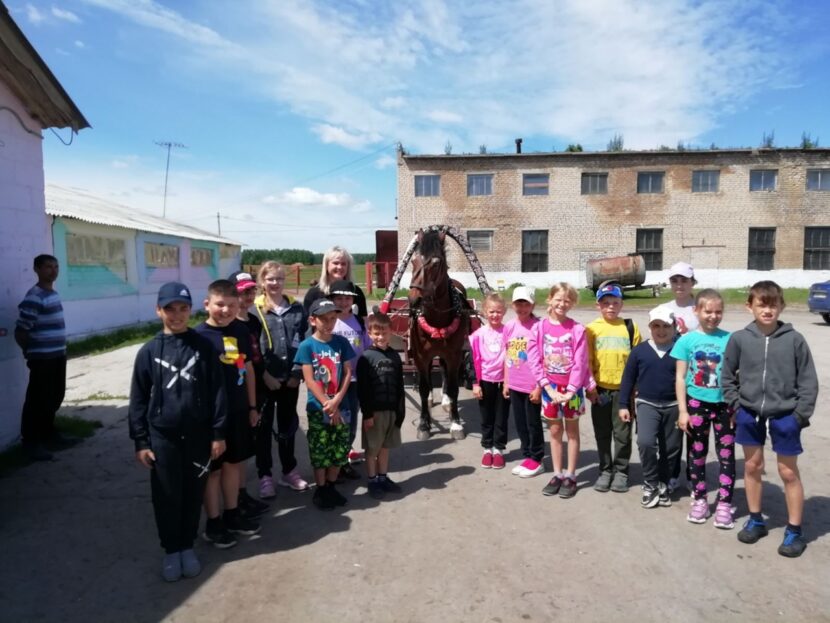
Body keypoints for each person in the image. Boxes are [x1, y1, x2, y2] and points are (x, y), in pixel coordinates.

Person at [128, 282, 226, 582]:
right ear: (159, 310)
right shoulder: (148, 352)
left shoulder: (203, 348)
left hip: (197, 437)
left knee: (192, 493)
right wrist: (141, 441)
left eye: (183, 309)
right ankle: (171, 549)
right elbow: (139, 399)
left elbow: (217, 392)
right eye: (170, 309)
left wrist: (217, 433)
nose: (177, 315)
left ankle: (187, 545)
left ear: (190, 310)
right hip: (163, 439)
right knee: (167, 495)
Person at [722, 281, 819, 557]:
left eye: (773, 305)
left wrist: (799, 416)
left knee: (788, 472)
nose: (767, 310)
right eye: (761, 304)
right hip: (749, 414)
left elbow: (808, 381)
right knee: (752, 466)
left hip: (785, 415)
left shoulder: (794, 339)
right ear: (749, 306)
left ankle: (794, 530)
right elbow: (727, 376)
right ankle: (755, 519)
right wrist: (736, 407)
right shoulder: (740, 339)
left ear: (782, 307)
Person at [195, 280, 261, 547]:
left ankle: (232, 514)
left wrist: (252, 406)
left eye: (231, 305)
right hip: (210, 417)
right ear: (207, 304)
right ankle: (213, 522)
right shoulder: (198, 337)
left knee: (234, 464)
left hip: (238, 411)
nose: (225, 310)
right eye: (220, 304)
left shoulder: (240, 331)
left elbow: (247, 370)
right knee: (213, 471)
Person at [671, 288, 735, 528]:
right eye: (708, 311)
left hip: (724, 406)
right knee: (697, 454)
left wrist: (736, 406)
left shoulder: (730, 339)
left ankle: (725, 503)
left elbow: (736, 374)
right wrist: (683, 410)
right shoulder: (686, 341)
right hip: (696, 404)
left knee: (726, 455)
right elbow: (680, 377)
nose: (713, 316)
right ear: (696, 311)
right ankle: (699, 499)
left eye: (718, 311)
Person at [530, 283, 594, 499]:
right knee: (555, 432)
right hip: (549, 390)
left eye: (567, 300)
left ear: (573, 303)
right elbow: (534, 359)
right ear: (550, 299)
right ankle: (557, 473)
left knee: (572, 432)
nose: (562, 304)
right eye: (558, 299)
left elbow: (580, 362)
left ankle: (571, 475)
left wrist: (572, 390)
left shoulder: (577, 329)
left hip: (571, 391)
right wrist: (546, 387)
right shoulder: (539, 328)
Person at [254, 261, 310, 496]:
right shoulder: (254, 310)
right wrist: (264, 375)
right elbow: (252, 348)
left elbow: (306, 340)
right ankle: (265, 475)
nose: (275, 283)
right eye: (270, 279)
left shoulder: (296, 309)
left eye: (279, 279)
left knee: (288, 426)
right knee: (263, 428)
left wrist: (298, 373)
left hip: (290, 380)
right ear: (262, 282)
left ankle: (289, 471)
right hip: (265, 381)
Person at [294, 298, 356, 511]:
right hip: (318, 408)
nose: (329, 323)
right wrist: (327, 403)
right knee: (320, 449)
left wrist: (338, 399)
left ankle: (331, 486)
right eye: (324, 319)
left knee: (339, 449)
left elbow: (348, 371)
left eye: (332, 318)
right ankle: (320, 489)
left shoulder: (341, 343)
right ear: (313, 320)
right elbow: (310, 380)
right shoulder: (307, 346)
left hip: (342, 405)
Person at [619, 306, 681, 509]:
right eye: (656, 326)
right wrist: (623, 405)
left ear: (674, 327)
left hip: (674, 405)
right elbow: (628, 380)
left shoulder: (681, 350)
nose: (661, 330)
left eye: (666, 326)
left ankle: (663, 483)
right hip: (647, 404)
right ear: (650, 327)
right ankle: (650, 483)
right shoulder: (640, 351)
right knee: (645, 442)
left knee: (670, 449)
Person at [586, 283, 641, 493]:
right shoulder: (592, 329)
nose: (610, 307)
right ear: (598, 305)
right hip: (600, 390)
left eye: (615, 303)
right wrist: (590, 387)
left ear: (621, 304)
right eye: (606, 303)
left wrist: (636, 386)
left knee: (622, 433)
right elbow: (587, 360)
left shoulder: (630, 327)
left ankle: (621, 472)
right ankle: (605, 470)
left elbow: (637, 360)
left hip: (624, 392)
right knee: (602, 432)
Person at [14, 254, 67, 461]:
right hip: (41, 358)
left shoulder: (52, 293)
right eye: (48, 267)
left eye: (56, 266)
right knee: (37, 400)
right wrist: (30, 352)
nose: (53, 271)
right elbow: (21, 331)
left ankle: (49, 434)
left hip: (57, 354)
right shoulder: (34, 297)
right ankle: (30, 443)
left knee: (55, 396)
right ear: (36, 269)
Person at [654, 261, 698, 493]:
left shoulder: (700, 308)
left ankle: (694, 473)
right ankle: (672, 473)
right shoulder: (665, 307)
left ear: (692, 282)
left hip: (696, 378)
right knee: (671, 432)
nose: (679, 284)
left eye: (684, 280)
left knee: (694, 429)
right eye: (675, 280)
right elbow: (656, 340)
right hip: (671, 376)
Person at [357, 313, 405, 499]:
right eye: (376, 333)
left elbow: (399, 386)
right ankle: (372, 479)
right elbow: (363, 389)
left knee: (385, 447)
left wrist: (400, 412)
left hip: (392, 410)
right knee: (372, 450)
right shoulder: (366, 358)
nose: (380, 337)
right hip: (374, 413)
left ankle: (383, 477)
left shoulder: (394, 356)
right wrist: (367, 414)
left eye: (384, 333)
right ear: (369, 333)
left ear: (391, 332)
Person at [329, 279, 371, 480]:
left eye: (347, 298)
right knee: (337, 421)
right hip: (335, 382)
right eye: (339, 298)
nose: (343, 302)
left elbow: (367, 347)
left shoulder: (359, 322)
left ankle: (344, 459)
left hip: (356, 380)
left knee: (352, 420)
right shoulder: (330, 321)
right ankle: (333, 461)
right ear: (332, 300)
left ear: (352, 300)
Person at [502, 286, 544, 478]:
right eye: (518, 303)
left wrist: (538, 387)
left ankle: (537, 459)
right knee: (520, 423)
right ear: (513, 305)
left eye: (526, 303)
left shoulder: (539, 326)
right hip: (515, 384)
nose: (522, 307)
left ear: (532, 304)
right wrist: (506, 382)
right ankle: (527, 455)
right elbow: (507, 355)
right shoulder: (510, 326)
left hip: (532, 385)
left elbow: (544, 358)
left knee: (533, 423)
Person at [468, 293, 510, 470]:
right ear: (485, 312)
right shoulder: (478, 335)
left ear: (504, 312)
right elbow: (472, 361)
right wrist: (475, 383)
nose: (495, 315)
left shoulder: (509, 332)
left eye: (499, 312)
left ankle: (498, 449)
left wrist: (510, 381)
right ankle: (487, 449)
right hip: (485, 380)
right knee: (487, 417)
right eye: (491, 311)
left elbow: (514, 358)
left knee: (501, 417)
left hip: (504, 382)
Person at [303, 246, 368, 318]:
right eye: (336, 263)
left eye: (343, 264)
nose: (340, 267)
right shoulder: (314, 294)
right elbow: (307, 323)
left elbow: (364, 322)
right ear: (326, 265)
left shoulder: (356, 292)